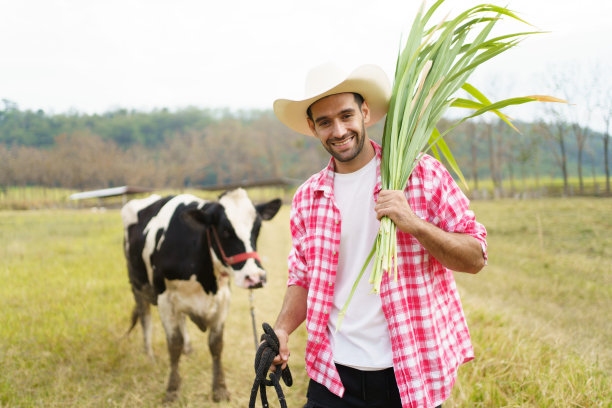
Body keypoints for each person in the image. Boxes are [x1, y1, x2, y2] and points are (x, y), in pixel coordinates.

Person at [270, 63, 487, 408]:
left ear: (365, 112)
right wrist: (281, 330)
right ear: (312, 128)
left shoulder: (420, 175)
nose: (338, 130)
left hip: (408, 374)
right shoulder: (307, 198)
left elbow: (475, 257)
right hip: (334, 374)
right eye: (325, 122)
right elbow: (302, 278)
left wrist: (412, 221)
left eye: (346, 115)